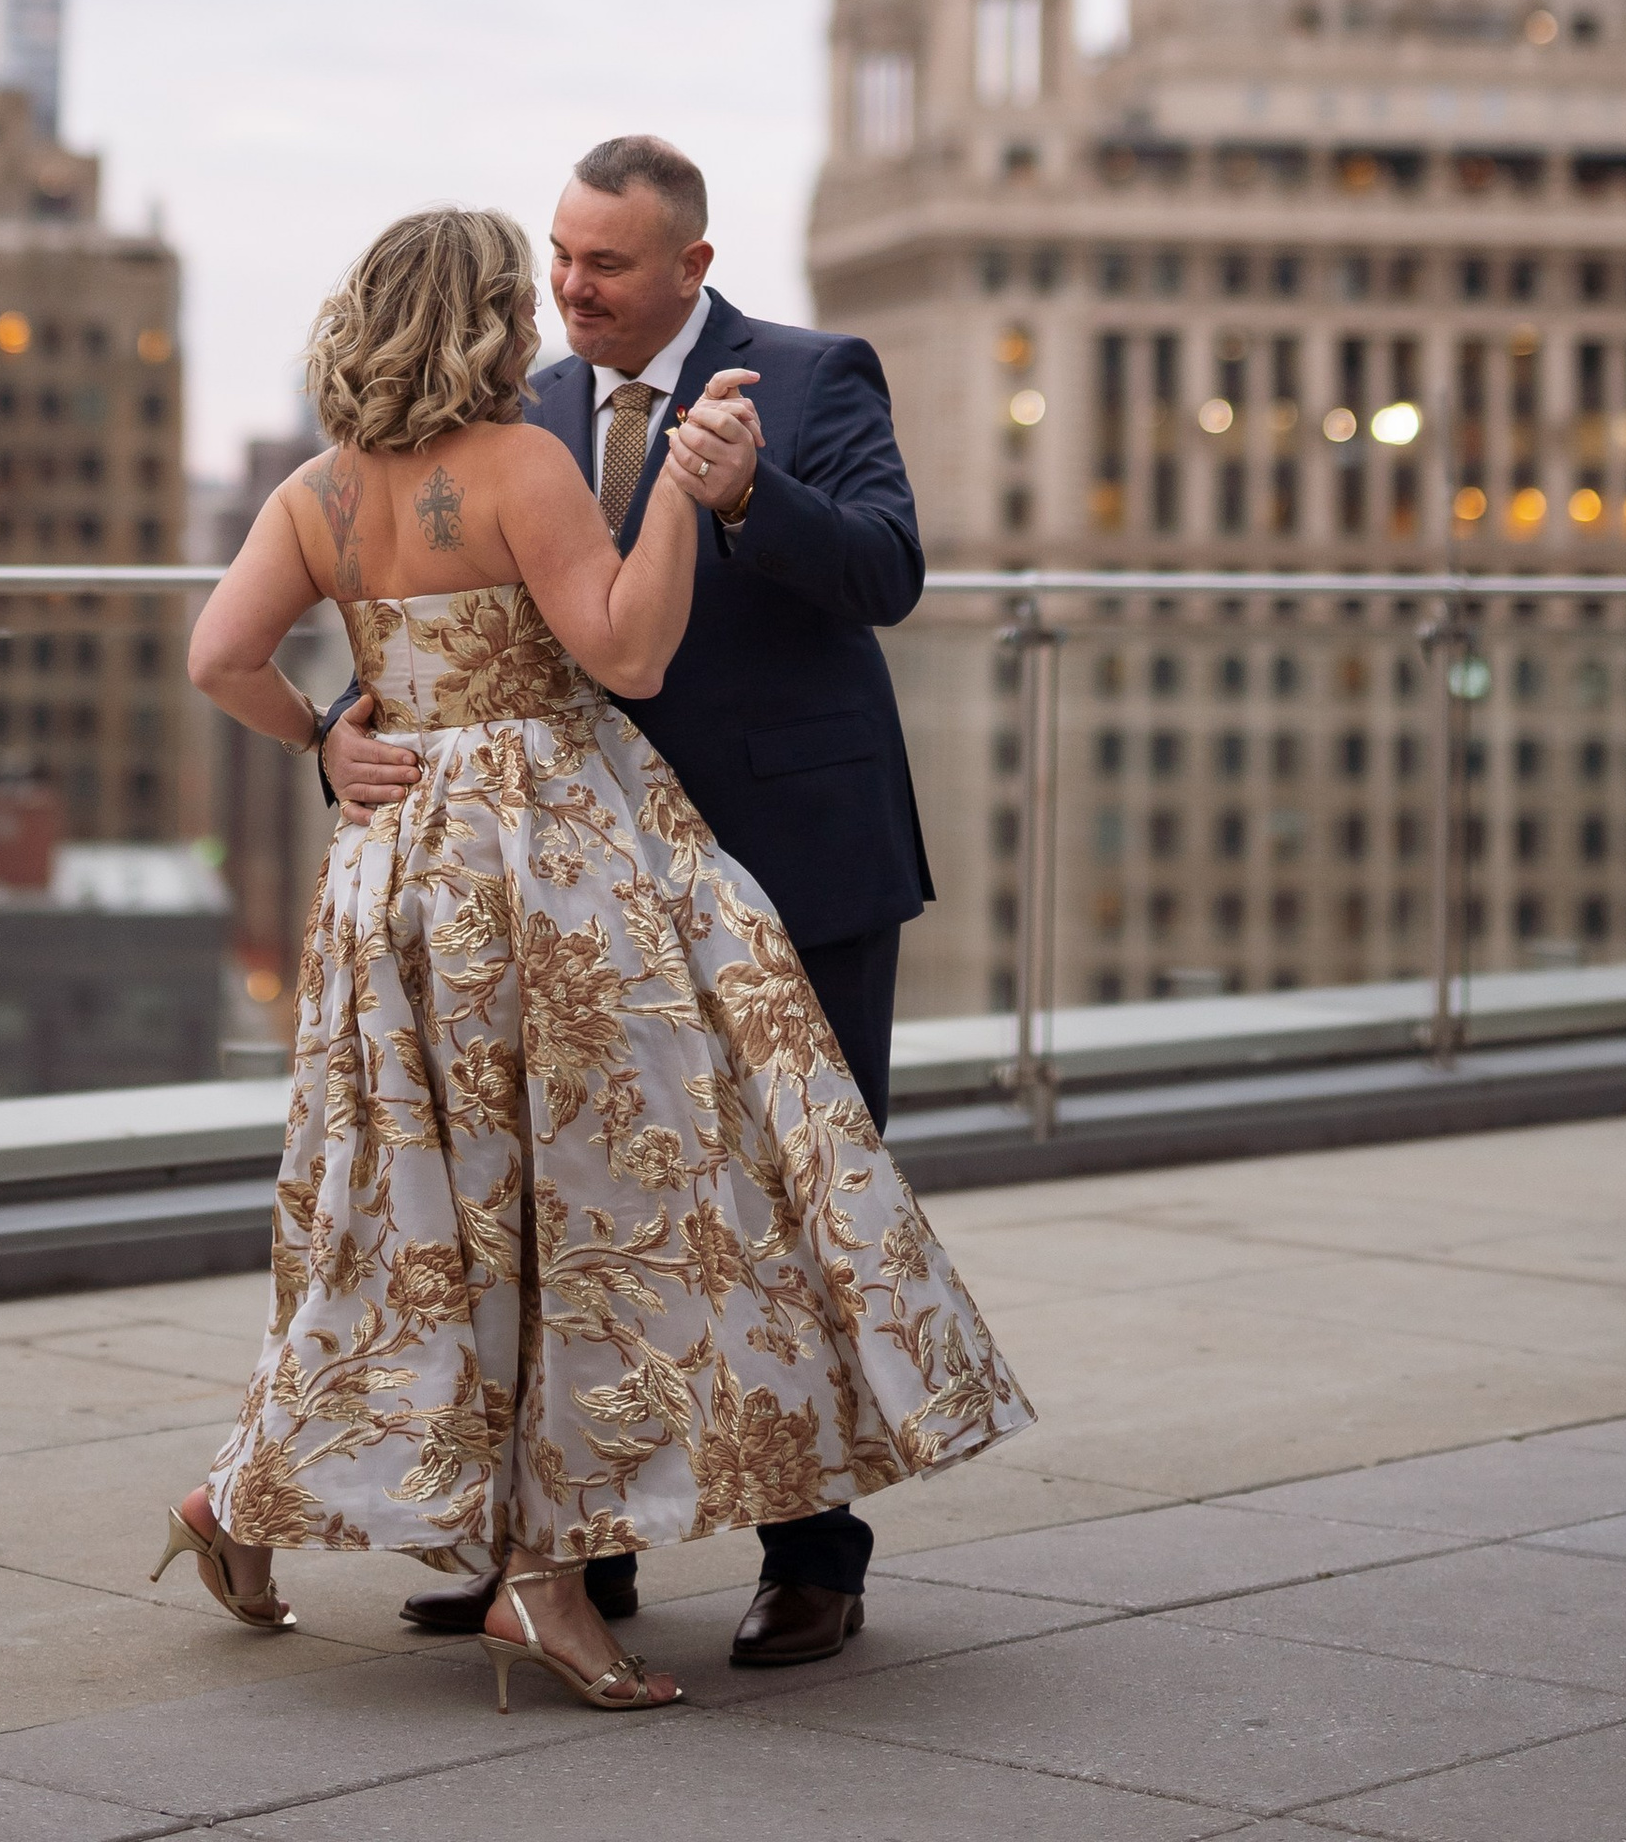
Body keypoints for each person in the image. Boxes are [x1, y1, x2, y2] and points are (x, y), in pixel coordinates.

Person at [160, 203, 1030, 1716]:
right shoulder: (522, 460)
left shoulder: (317, 491)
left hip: (396, 886)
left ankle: (266, 1508)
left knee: (422, 1214)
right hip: (548, 875)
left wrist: (330, 738)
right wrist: (689, 500)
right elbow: (626, 657)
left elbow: (219, 658)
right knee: (612, 1192)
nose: (553, 307)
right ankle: (543, 1569)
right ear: (488, 316)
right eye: (528, 287)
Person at [321, 136, 937, 1669]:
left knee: (802, 1210)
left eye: (604, 264)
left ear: (692, 271)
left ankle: (815, 1558)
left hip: (796, 863)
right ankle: (566, 1558)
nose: (570, 288)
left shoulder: (808, 375)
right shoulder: (515, 409)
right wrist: (338, 735)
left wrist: (753, 499)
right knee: (571, 1215)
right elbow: (441, 616)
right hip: (578, 902)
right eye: (560, 255)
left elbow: (889, 571)